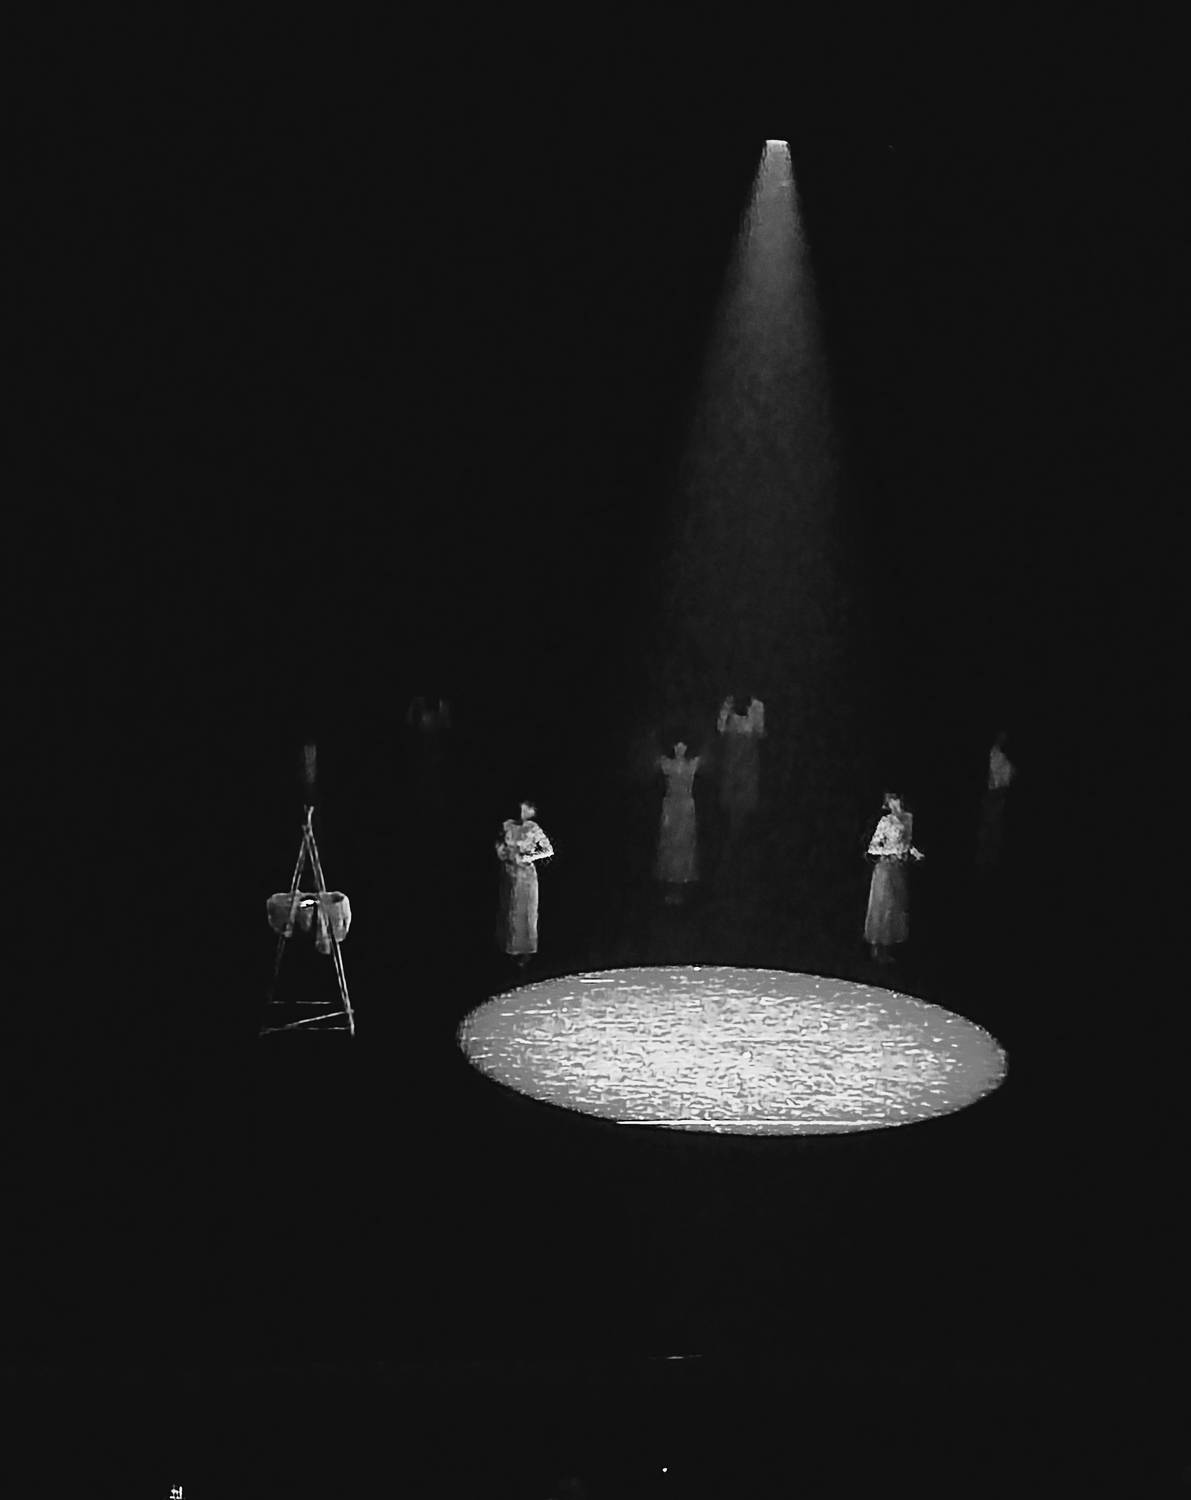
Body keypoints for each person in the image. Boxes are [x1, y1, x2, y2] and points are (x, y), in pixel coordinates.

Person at [864, 790, 924, 963]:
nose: (893, 804)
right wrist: (891, 852)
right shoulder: (886, 821)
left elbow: (906, 843)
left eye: (895, 800)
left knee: (896, 907)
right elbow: (873, 847)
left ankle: (888, 948)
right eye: (890, 801)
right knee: (883, 906)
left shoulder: (908, 818)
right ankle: (878, 948)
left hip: (899, 869)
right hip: (885, 868)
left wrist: (914, 853)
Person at [495, 799, 555, 967]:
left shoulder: (533, 828)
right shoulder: (507, 825)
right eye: (520, 809)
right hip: (509, 874)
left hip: (526, 877)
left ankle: (526, 953)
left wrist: (528, 857)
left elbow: (548, 850)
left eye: (525, 810)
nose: (521, 813)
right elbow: (499, 844)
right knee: (509, 911)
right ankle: (508, 951)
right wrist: (503, 854)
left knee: (526, 914)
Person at [655, 740, 702, 904]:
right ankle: (673, 887)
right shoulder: (671, 764)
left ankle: (679, 886)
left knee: (682, 845)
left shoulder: (688, 765)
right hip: (674, 808)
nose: (680, 748)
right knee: (672, 845)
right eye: (677, 746)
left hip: (682, 809)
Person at [716, 691, 765, 834]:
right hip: (734, 763)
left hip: (746, 763)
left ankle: (740, 832)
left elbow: (759, 731)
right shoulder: (729, 707)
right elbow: (721, 728)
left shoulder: (756, 708)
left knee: (742, 793)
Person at [976, 729, 1015, 871]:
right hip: (994, 794)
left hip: (998, 794)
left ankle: (988, 861)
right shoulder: (995, 754)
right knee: (990, 827)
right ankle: (985, 860)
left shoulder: (1002, 757)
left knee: (994, 828)